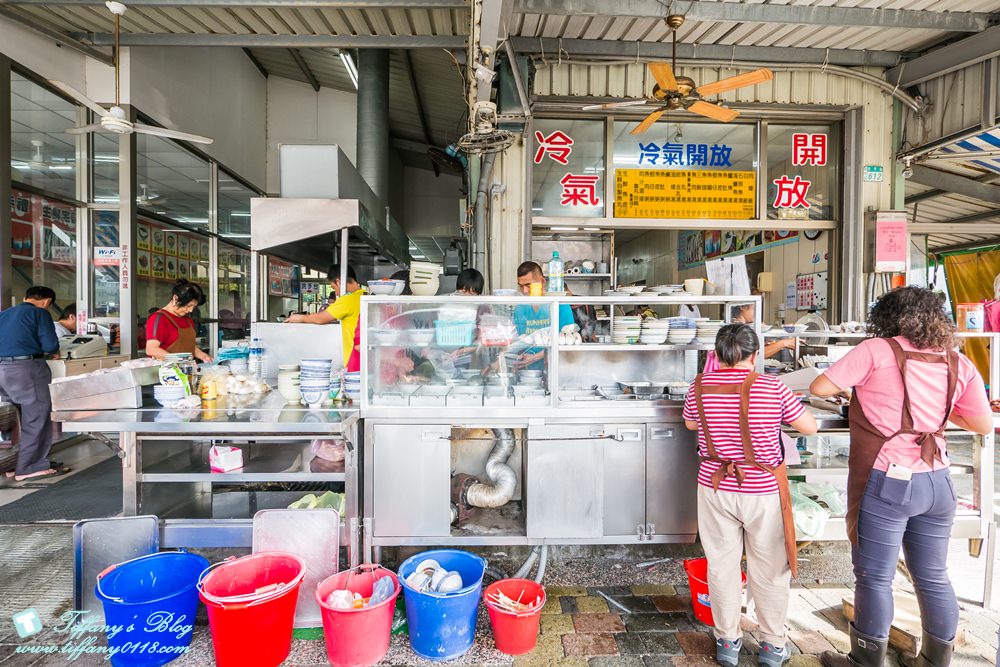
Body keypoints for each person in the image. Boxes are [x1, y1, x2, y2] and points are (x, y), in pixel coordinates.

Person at [811, 287, 992, 667]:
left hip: (889, 480)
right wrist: (934, 420)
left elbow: (820, 387)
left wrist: (866, 392)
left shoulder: (876, 351)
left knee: (874, 576)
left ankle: (865, 661)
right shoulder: (957, 361)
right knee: (933, 576)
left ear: (890, 317)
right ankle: (933, 660)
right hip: (938, 482)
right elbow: (982, 423)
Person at [683, 323, 817, 667]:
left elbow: (691, 425)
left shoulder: (698, 387)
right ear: (755, 355)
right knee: (771, 568)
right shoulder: (772, 387)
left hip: (715, 487)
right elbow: (809, 426)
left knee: (722, 565)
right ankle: (772, 645)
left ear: (717, 354)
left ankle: (727, 641)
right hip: (761, 490)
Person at [0, 286, 70, 481]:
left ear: (25, 297)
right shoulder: (40, 313)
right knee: (36, 416)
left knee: (12, 419)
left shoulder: (4, 314)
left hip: (2, 370)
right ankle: (29, 466)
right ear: (47, 302)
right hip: (27, 369)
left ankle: (11, 464)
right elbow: (50, 345)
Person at [286, 265, 366, 368]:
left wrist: (300, 318)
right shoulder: (365, 295)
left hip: (354, 360)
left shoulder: (348, 300)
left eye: (334, 287)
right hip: (365, 358)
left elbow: (320, 318)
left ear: (339, 282)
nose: (336, 293)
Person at [513, 261, 575, 369]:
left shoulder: (560, 306)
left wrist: (535, 357)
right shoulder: (520, 308)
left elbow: (566, 341)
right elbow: (517, 340)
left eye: (528, 285)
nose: (524, 291)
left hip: (555, 370)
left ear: (542, 281)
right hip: (527, 374)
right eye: (521, 286)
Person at [145, 280, 212, 363]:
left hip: (186, 369)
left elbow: (189, 346)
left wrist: (204, 356)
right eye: (189, 305)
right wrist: (179, 361)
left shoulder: (188, 320)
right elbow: (151, 349)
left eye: (194, 306)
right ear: (175, 298)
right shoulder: (159, 319)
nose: (191, 310)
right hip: (166, 372)